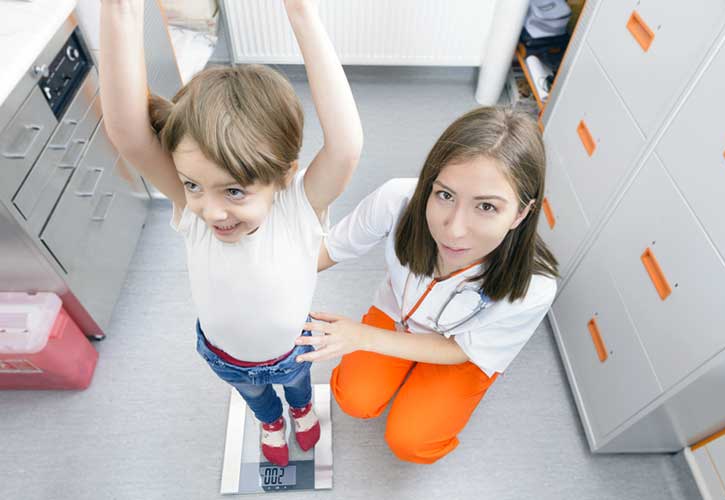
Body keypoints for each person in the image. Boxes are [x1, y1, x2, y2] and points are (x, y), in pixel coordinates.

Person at [99, 0, 362, 467]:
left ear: (284, 175)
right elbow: (126, 131)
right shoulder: (192, 210)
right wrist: (119, 10)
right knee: (256, 397)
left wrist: (302, 14)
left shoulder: (296, 208)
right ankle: (271, 421)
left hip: (292, 351)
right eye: (193, 185)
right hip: (225, 355)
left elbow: (345, 146)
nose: (212, 210)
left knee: (297, 386)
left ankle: (299, 409)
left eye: (235, 191)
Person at [299, 106, 559, 464]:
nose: (453, 229)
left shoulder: (536, 286)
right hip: (396, 316)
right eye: (445, 195)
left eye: (486, 207)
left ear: (520, 213)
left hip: (458, 350)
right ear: (429, 184)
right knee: (353, 399)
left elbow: (462, 350)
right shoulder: (398, 200)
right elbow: (329, 249)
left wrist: (362, 336)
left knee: (411, 442)